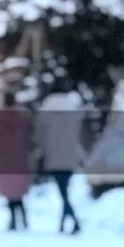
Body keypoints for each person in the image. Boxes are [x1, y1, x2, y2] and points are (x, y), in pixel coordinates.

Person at [34, 90, 84, 234]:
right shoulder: (73, 114)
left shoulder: (46, 115)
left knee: (63, 193)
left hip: (54, 158)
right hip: (70, 158)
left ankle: (75, 222)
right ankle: (63, 223)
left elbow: (41, 137)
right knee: (64, 191)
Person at [0, 91, 33, 231]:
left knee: (9, 192)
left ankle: (13, 219)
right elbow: (30, 137)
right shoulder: (23, 118)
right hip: (20, 159)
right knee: (19, 191)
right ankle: (23, 216)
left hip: (4, 161)